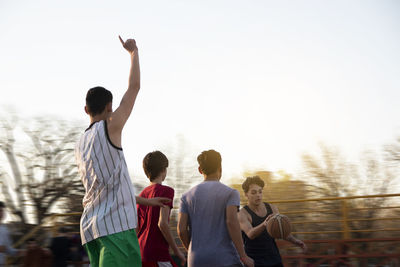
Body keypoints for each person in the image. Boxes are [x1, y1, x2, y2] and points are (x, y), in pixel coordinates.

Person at [75, 36, 170, 267]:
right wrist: (134, 53)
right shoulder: (110, 126)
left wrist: (146, 202)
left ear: (86, 109)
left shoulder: (79, 144)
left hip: (91, 230)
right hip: (116, 228)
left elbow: (107, 189)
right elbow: (134, 88)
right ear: (109, 107)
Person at [178, 149, 254, 267]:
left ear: (200, 170)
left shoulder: (186, 196)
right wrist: (243, 256)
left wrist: (193, 251)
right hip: (225, 259)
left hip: (196, 260)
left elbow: (181, 230)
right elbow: (231, 222)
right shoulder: (231, 193)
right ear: (220, 168)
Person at [238, 176, 307, 267]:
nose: (258, 195)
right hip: (254, 261)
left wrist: (296, 241)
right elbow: (250, 234)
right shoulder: (242, 214)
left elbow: (281, 231)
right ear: (246, 194)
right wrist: (264, 224)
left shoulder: (272, 208)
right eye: (253, 192)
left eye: (260, 191)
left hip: (273, 258)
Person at [137, 151, 186, 267]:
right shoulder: (167, 191)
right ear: (164, 170)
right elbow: (162, 223)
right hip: (157, 253)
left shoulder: (141, 196)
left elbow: (137, 228)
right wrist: (177, 251)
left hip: (140, 253)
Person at [0, 201, 18, 266]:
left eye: (2, 211)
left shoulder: (5, 230)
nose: (1, 213)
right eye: (0, 211)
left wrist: (26, 251)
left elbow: (9, 250)